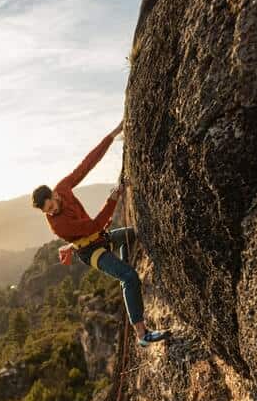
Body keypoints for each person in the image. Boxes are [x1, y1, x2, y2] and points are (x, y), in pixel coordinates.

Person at [31, 120, 170, 347]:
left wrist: (113, 134)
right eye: (47, 211)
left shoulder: (63, 188)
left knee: (133, 235)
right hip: (90, 251)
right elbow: (94, 226)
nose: (51, 212)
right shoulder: (58, 225)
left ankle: (125, 272)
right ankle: (142, 335)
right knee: (130, 277)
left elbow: (87, 164)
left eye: (51, 206)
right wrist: (113, 199)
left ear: (54, 195)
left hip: (102, 238)